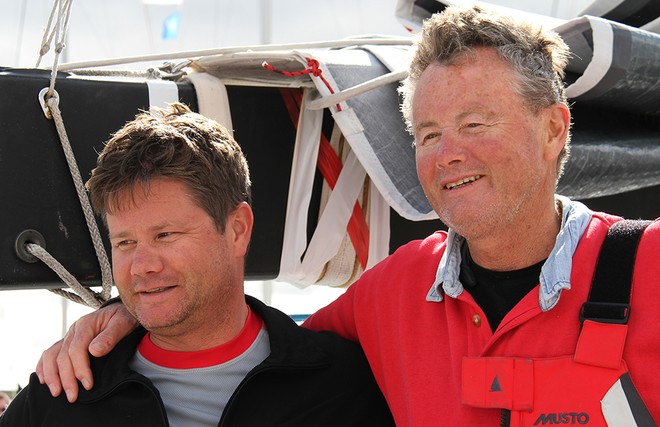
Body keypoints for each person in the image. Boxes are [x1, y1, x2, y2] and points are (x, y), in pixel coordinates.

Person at [34, 5, 660, 426]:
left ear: (554, 129)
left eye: (475, 124)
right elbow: (231, 331)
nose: (449, 155)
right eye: (428, 133)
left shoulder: (651, 269)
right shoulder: (391, 295)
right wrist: (126, 310)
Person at [0, 103, 394, 426]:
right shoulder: (59, 396)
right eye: (125, 242)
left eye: (165, 235)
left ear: (238, 230)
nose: (140, 266)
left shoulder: (344, 388)